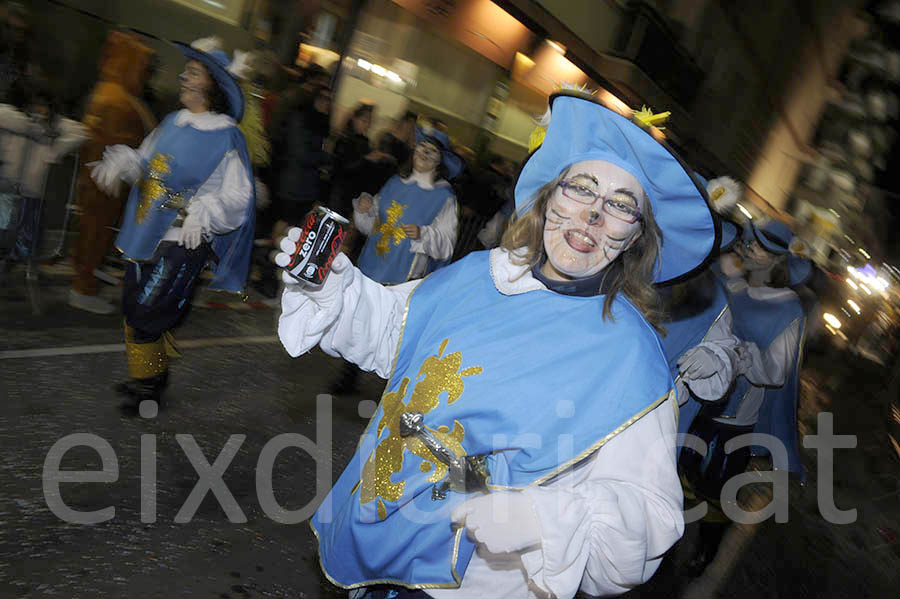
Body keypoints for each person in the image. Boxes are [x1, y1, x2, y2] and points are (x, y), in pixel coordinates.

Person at [276, 89, 716, 598]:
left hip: (475, 580)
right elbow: (392, 332)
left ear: (636, 237)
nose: (593, 215)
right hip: (377, 520)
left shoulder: (629, 358)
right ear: (550, 196)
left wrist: (542, 519)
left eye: (621, 206)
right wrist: (335, 287)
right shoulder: (481, 274)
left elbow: (648, 513)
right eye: (581, 188)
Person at [89, 38, 255, 411]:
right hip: (148, 227)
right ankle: (148, 377)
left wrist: (206, 210)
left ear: (210, 84)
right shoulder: (171, 122)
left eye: (192, 72)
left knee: (150, 309)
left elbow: (239, 196)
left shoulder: (227, 135)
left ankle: (149, 388)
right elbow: (147, 161)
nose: (182, 77)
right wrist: (126, 163)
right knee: (134, 305)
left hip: (186, 238)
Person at [678, 218, 810, 576]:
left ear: (777, 259)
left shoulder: (788, 308)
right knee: (682, 468)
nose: (749, 247)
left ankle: (707, 550)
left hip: (736, 417)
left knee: (719, 488)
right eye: (749, 241)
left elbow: (777, 371)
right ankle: (670, 534)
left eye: (760, 245)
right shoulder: (731, 287)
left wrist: (739, 355)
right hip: (696, 402)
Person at [69, 31, 157, 314]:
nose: (144, 75)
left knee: (92, 230)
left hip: (100, 179)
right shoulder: (119, 99)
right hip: (106, 181)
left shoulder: (108, 92)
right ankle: (83, 288)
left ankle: (85, 281)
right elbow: (122, 140)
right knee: (95, 232)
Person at [0, 78, 88, 264]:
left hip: (32, 192)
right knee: (4, 230)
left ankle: (18, 267)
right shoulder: (16, 120)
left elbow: (81, 132)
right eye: (36, 104)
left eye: (44, 105)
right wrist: (30, 126)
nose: (40, 109)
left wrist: (54, 151)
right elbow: (6, 115)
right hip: (8, 187)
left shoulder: (54, 127)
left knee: (25, 240)